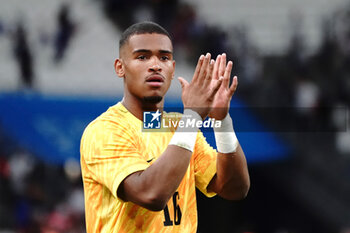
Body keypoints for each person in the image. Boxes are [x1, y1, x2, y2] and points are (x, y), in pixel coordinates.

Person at [80, 21, 250, 233]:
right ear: (120, 67)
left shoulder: (177, 126)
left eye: (164, 57)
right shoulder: (104, 131)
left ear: (172, 69)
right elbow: (151, 194)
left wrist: (221, 121)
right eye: (142, 57)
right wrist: (193, 116)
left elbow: (235, 188)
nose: (155, 65)